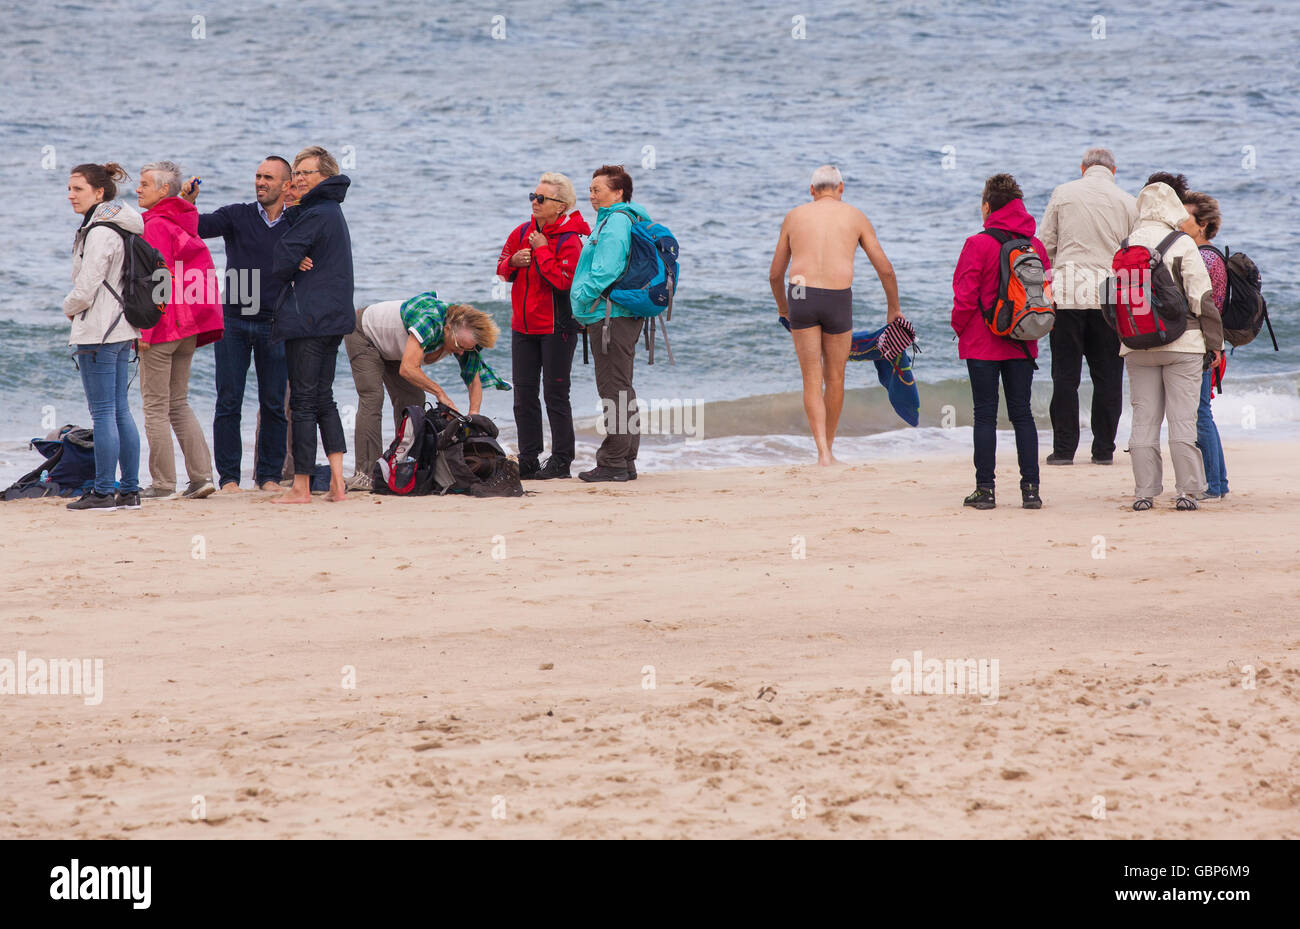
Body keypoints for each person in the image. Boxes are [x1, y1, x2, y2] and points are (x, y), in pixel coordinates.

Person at [768, 165, 900, 466]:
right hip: (838, 296)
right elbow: (886, 269)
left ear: (812, 191)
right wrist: (893, 308)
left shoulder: (794, 216)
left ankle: (822, 453)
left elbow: (775, 275)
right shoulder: (855, 216)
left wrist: (783, 309)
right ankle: (830, 446)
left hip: (800, 293)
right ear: (841, 188)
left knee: (811, 379)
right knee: (836, 377)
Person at [181, 156, 293, 493]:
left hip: (277, 323)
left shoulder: (298, 221)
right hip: (234, 321)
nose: (260, 182)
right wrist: (187, 203)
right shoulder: (236, 215)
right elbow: (194, 228)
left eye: (268, 178)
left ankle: (269, 476)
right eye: (258, 176)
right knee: (228, 401)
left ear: (286, 185)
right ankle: (229, 478)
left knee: (274, 403)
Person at [1123, 181, 1224, 512]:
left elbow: (1111, 301)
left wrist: (1126, 338)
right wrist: (1215, 345)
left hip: (1137, 346)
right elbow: (1202, 298)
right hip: (1184, 345)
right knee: (1183, 419)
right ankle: (1187, 492)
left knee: (1144, 420)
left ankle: (1143, 492)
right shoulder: (1183, 244)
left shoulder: (1126, 245)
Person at [951, 174, 1049, 510]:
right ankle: (1031, 491)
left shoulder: (977, 244)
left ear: (988, 206)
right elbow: (1045, 294)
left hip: (982, 343)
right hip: (1022, 341)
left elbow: (964, 297)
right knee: (1023, 415)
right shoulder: (1033, 246)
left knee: (985, 415)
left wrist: (958, 327)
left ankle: (985, 491)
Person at [1038, 148, 1136, 466]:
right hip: (1109, 296)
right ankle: (1103, 450)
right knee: (1108, 376)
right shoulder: (1128, 201)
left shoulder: (1063, 193)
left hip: (1067, 293)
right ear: (1114, 170)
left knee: (1065, 376)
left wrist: (1047, 285)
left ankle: (1064, 450)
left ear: (1083, 168)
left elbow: (1045, 245)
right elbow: (1133, 253)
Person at [344, 294, 506, 487]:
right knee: (373, 398)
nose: (462, 352)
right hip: (364, 334)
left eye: (467, 349)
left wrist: (473, 419)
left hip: (395, 349)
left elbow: (473, 381)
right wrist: (440, 393)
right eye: (459, 346)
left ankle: (404, 466)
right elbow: (408, 368)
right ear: (446, 329)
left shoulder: (463, 339)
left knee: (413, 403)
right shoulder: (429, 321)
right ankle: (366, 474)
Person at [269, 146, 354, 504]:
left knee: (302, 402)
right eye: (296, 173)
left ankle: (301, 486)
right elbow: (293, 250)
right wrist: (293, 219)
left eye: (306, 173)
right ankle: (337, 482)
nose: (298, 179)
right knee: (323, 398)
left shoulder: (317, 212)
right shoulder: (326, 210)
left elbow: (279, 260)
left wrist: (293, 255)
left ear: (326, 177)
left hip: (309, 319)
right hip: (332, 318)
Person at [135, 161, 222, 500]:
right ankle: (202, 477)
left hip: (164, 326)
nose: (138, 189)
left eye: (145, 184)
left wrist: (144, 331)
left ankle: (163, 484)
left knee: (155, 407)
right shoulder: (182, 220)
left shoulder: (155, 225)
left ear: (163, 191)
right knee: (178, 403)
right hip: (188, 327)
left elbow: (158, 279)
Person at [61, 162, 143, 511]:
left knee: (104, 413)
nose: (70, 195)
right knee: (121, 411)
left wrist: (68, 305)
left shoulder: (99, 232)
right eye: (69, 188)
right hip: (122, 327)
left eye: (77, 189)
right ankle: (130, 491)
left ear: (99, 192)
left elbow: (86, 287)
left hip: (99, 329)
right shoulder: (123, 226)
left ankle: (103, 490)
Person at [497, 172, 590, 480]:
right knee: (523, 396)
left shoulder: (570, 240)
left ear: (560, 206)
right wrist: (513, 263)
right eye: (532, 197)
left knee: (555, 395)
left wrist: (541, 251)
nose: (534, 203)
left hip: (557, 328)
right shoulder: (521, 231)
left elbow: (565, 281)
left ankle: (562, 460)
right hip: (522, 327)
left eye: (541, 199)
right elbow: (501, 266)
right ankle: (528, 457)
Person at [569, 165, 651, 483]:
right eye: (589, 189)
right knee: (621, 387)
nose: (591, 195)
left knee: (613, 389)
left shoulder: (616, 221)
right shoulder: (620, 219)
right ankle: (625, 461)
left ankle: (615, 461)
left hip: (611, 315)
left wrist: (582, 298)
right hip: (615, 314)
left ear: (618, 193)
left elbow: (608, 269)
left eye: (597, 189)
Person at [1181, 191, 1229, 500]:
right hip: (1208, 344)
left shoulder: (1204, 257)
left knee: (1199, 413)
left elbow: (1206, 306)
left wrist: (1213, 346)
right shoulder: (1208, 255)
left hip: (1203, 345)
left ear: (1204, 224)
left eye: (1186, 218)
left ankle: (1214, 485)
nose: (1179, 223)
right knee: (1200, 412)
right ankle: (1217, 483)